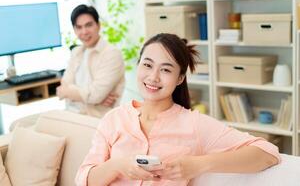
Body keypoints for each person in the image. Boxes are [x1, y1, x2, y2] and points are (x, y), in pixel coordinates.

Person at [75, 33, 280, 186]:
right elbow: (84, 179)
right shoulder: (114, 119)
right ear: (138, 66)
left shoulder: (194, 124)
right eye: (147, 65)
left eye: (165, 69)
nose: (153, 77)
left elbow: (267, 153)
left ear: (180, 78)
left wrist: (197, 165)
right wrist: (119, 165)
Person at [56, 4, 125, 118]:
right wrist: (95, 99)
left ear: (98, 25)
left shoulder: (112, 54)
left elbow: (95, 95)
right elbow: (62, 89)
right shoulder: (76, 52)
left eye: (88, 25)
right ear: (74, 29)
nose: (84, 32)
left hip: (97, 120)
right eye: (79, 27)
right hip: (71, 114)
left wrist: (72, 93)